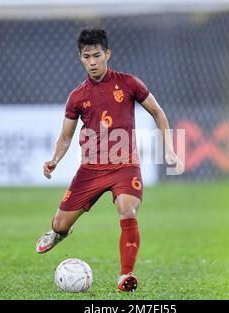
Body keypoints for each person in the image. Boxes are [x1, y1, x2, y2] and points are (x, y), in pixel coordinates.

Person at [35, 28, 183, 292]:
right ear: (80, 58)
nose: (92, 62)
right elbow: (66, 136)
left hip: (125, 165)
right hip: (90, 169)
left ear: (107, 54)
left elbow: (158, 113)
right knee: (58, 224)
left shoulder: (129, 84)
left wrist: (169, 149)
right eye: (86, 56)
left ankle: (125, 276)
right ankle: (59, 233)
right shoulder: (77, 96)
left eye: (96, 55)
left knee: (127, 209)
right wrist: (55, 159)